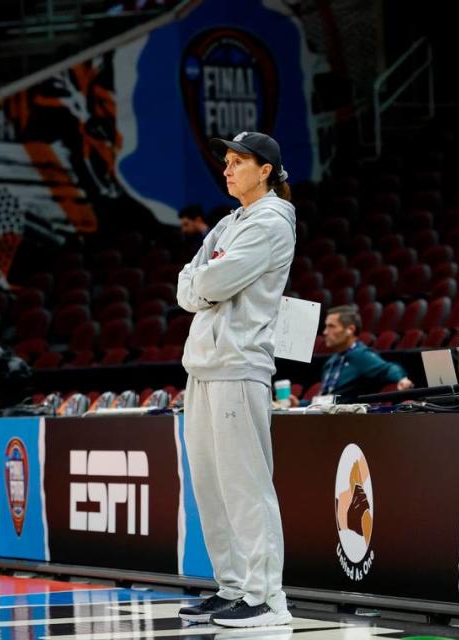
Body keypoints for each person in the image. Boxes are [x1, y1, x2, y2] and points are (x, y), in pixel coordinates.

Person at [176, 131, 295, 628]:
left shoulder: (270, 221)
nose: (227, 170)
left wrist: (204, 280)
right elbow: (187, 284)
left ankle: (266, 598)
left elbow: (209, 281)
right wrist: (204, 279)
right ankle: (233, 588)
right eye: (225, 162)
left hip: (239, 365)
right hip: (204, 367)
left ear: (265, 169)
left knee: (245, 486)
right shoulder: (229, 223)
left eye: (238, 162)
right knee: (211, 487)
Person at [319, 305, 413, 403]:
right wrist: (302, 403)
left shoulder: (361, 356)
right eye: (326, 326)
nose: (325, 332)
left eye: (331, 326)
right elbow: (321, 400)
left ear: (350, 330)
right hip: (325, 412)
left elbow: (388, 369)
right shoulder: (331, 362)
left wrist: (401, 378)